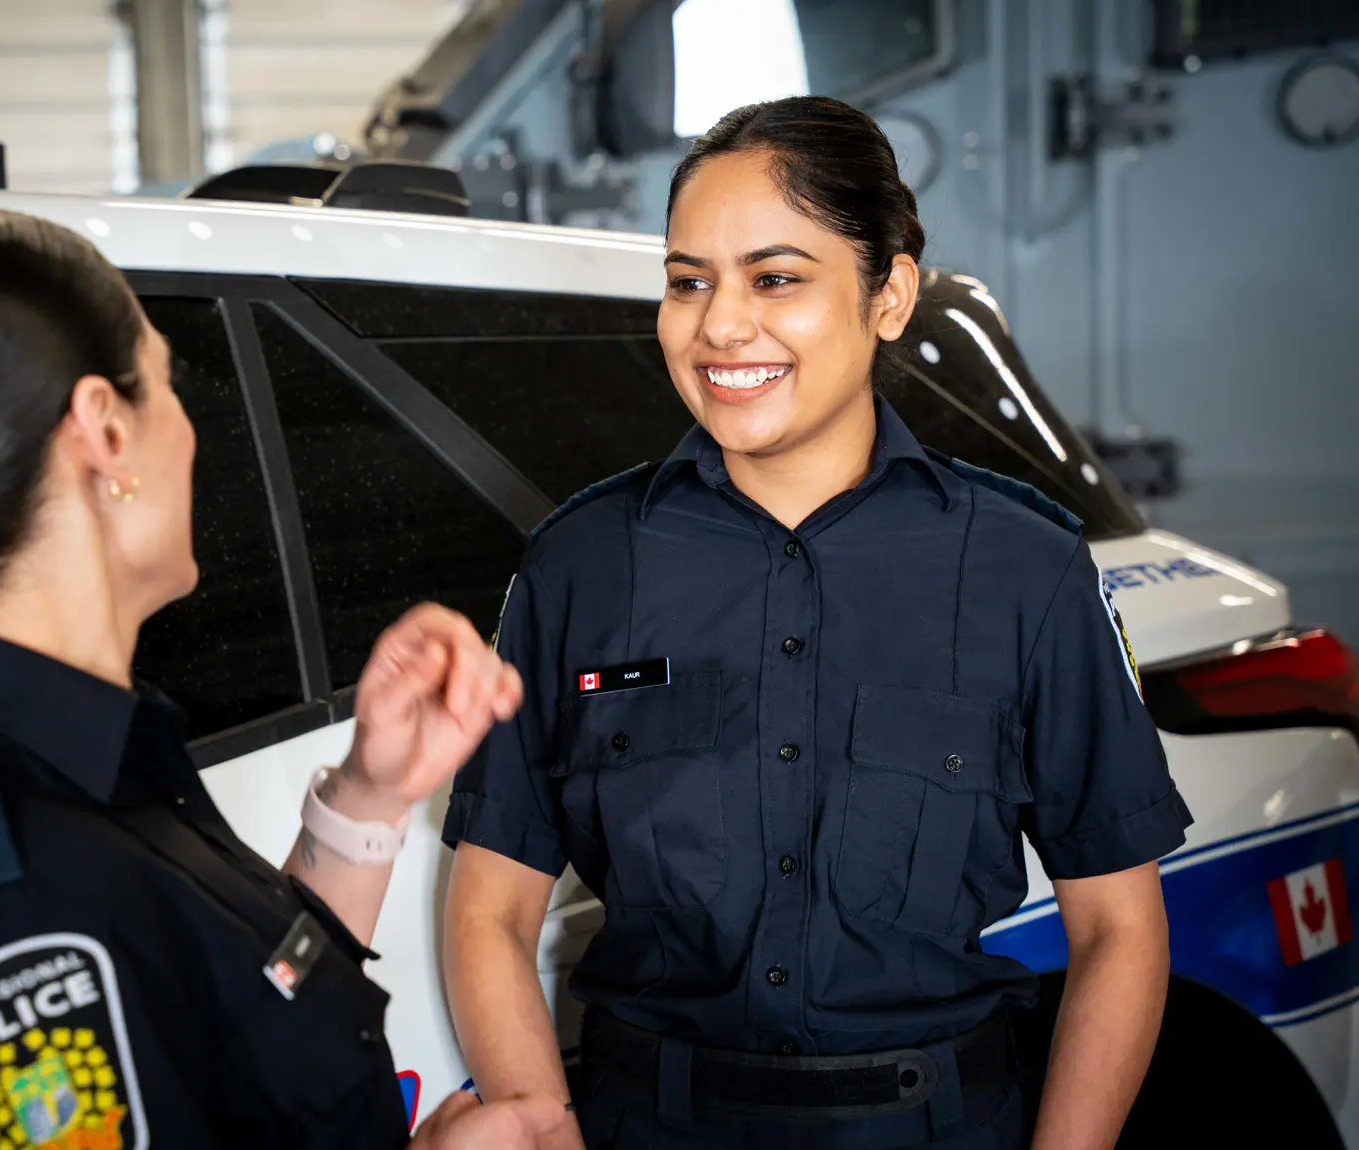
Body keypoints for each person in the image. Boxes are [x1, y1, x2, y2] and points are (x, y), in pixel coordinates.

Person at [441, 96, 1191, 1150]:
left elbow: (1117, 924)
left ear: (890, 296)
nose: (720, 324)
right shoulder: (583, 565)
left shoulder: (1023, 566)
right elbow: (490, 910)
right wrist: (544, 1131)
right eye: (687, 279)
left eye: (776, 278)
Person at [0, 209, 565, 1149]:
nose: (188, 429)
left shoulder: (65, 752)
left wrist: (370, 798)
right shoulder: (17, 897)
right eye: (171, 384)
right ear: (104, 428)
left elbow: (241, 1008)